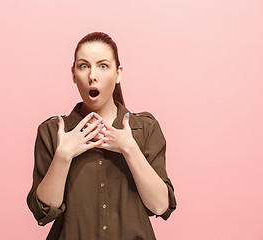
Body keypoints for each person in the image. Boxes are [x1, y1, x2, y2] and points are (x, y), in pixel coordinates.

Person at [27, 31, 177, 240]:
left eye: (103, 65)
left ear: (118, 73)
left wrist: (129, 149)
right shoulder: (53, 132)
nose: (92, 76)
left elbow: (161, 206)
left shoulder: (144, 128)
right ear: (73, 74)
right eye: (83, 66)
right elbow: (43, 211)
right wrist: (63, 156)